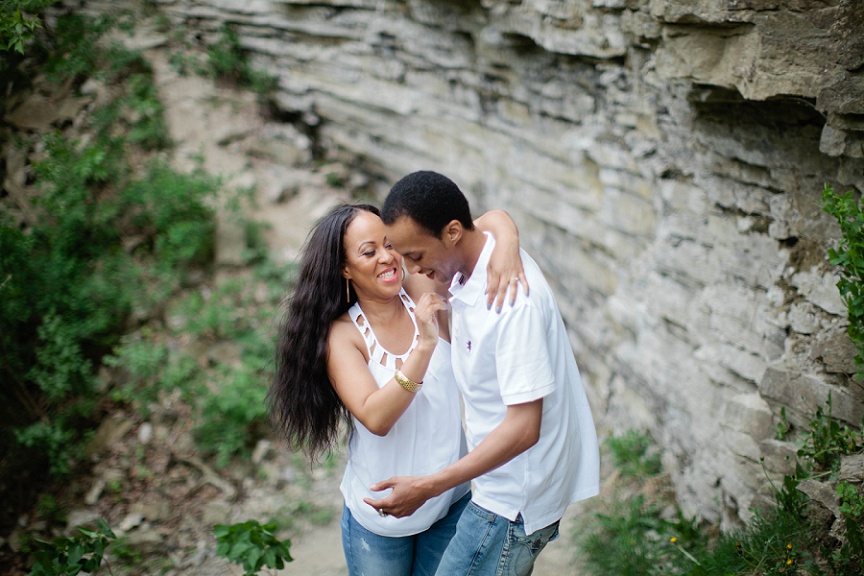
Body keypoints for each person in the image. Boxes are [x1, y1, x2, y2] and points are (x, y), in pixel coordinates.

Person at [267, 202, 528, 576]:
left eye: (390, 244)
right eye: (369, 251)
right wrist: (423, 346)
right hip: (382, 519)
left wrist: (507, 243)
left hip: (447, 500)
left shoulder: (420, 286)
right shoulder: (343, 335)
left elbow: (482, 224)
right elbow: (376, 417)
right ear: (344, 268)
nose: (388, 258)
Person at [367, 170, 600, 576]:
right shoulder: (478, 261)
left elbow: (525, 428)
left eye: (417, 256)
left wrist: (429, 486)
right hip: (501, 491)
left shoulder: (510, 303)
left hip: (511, 504)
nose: (412, 270)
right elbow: (491, 220)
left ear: (452, 232)